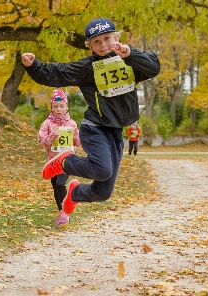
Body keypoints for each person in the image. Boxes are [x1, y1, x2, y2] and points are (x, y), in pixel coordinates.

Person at [21, 18, 160, 218]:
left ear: (117, 38)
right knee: (102, 170)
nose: (103, 45)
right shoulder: (88, 68)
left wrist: (130, 54)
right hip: (94, 128)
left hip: (114, 131)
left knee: (103, 192)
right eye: (96, 42)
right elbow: (57, 73)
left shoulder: (129, 61)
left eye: (107, 38)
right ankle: (64, 163)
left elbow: (154, 67)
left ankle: (74, 193)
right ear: (90, 46)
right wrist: (34, 66)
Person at [38, 89, 80, 226]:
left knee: (61, 183)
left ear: (67, 106)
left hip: (67, 160)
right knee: (56, 186)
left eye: (62, 106)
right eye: (55, 107)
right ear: (51, 107)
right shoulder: (47, 123)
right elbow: (41, 140)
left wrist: (76, 136)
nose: (59, 109)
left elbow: (78, 142)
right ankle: (61, 211)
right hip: (52, 161)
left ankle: (65, 212)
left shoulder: (72, 123)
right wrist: (50, 138)